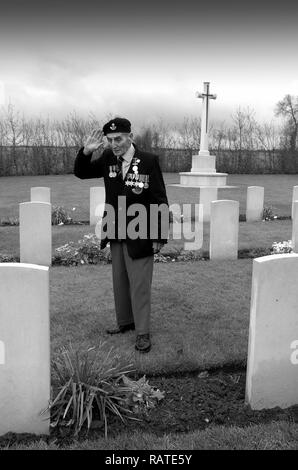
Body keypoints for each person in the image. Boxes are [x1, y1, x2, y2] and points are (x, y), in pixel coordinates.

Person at [74, 117, 169, 353]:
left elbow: (159, 198)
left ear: (130, 137)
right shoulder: (108, 159)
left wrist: (159, 235)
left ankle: (143, 333)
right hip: (116, 230)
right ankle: (125, 322)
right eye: (110, 140)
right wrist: (86, 151)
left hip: (142, 233)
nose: (114, 144)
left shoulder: (148, 161)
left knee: (139, 285)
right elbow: (81, 172)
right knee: (120, 281)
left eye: (118, 139)